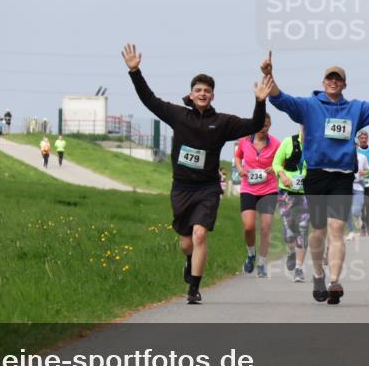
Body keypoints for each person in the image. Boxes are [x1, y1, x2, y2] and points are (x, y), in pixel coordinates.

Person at [122, 43, 273, 304]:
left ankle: (194, 288)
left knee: (200, 234)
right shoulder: (178, 115)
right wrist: (135, 71)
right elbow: (149, 99)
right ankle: (189, 261)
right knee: (186, 242)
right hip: (181, 187)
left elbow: (255, 124)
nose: (202, 94)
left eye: (207, 91)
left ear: (213, 96)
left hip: (207, 188)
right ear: (190, 95)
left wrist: (260, 102)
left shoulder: (223, 122)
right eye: (198, 90)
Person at [261, 51, 369, 304]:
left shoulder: (355, 109)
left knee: (337, 228)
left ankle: (334, 282)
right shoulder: (309, 106)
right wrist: (269, 75)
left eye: (338, 79)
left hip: (343, 177)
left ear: (344, 84)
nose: (333, 82)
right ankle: (319, 275)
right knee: (318, 230)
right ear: (323, 83)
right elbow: (281, 100)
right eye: (329, 79)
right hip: (316, 176)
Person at [233, 114, 281, 278]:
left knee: (266, 228)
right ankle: (251, 254)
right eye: (260, 126)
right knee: (249, 226)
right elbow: (238, 156)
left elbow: (282, 163)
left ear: (270, 125)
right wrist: (239, 168)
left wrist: (275, 168)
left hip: (269, 189)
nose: (263, 129)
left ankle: (262, 262)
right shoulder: (244, 141)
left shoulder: (276, 144)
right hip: (249, 188)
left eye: (266, 126)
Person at [272, 126, 310, 283]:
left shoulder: (317, 144)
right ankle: (291, 252)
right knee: (289, 232)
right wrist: (282, 175)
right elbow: (276, 163)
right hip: (286, 192)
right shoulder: (289, 142)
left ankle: (299, 269)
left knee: (302, 229)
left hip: (307, 194)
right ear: (302, 126)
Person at [347, 148, 369, 240]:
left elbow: (368, 170)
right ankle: (351, 232)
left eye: (354, 144)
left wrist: (364, 172)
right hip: (346, 185)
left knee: (355, 210)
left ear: (357, 146)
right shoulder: (344, 155)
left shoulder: (362, 157)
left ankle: (357, 216)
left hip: (358, 186)